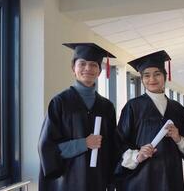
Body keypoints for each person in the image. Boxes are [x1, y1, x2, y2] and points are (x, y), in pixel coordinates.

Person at [38, 43, 122, 191]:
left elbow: (112, 148)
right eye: (82, 64)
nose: (88, 68)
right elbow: (47, 148)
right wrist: (84, 143)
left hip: (98, 180)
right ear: (73, 69)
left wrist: (112, 180)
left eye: (93, 65)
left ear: (99, 71)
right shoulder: (60, 102)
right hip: (68, 181)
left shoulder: (107, 106)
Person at [114, 50, 184, 191]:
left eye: (157, 74)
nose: (152, 79)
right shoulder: (133, 106)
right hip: (141, 178)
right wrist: (137, 155)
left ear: (165, 77)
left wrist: (178, 138)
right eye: (146, 75)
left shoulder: (177, 108)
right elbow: (119, 142)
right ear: (141, 79)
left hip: (171, 176)